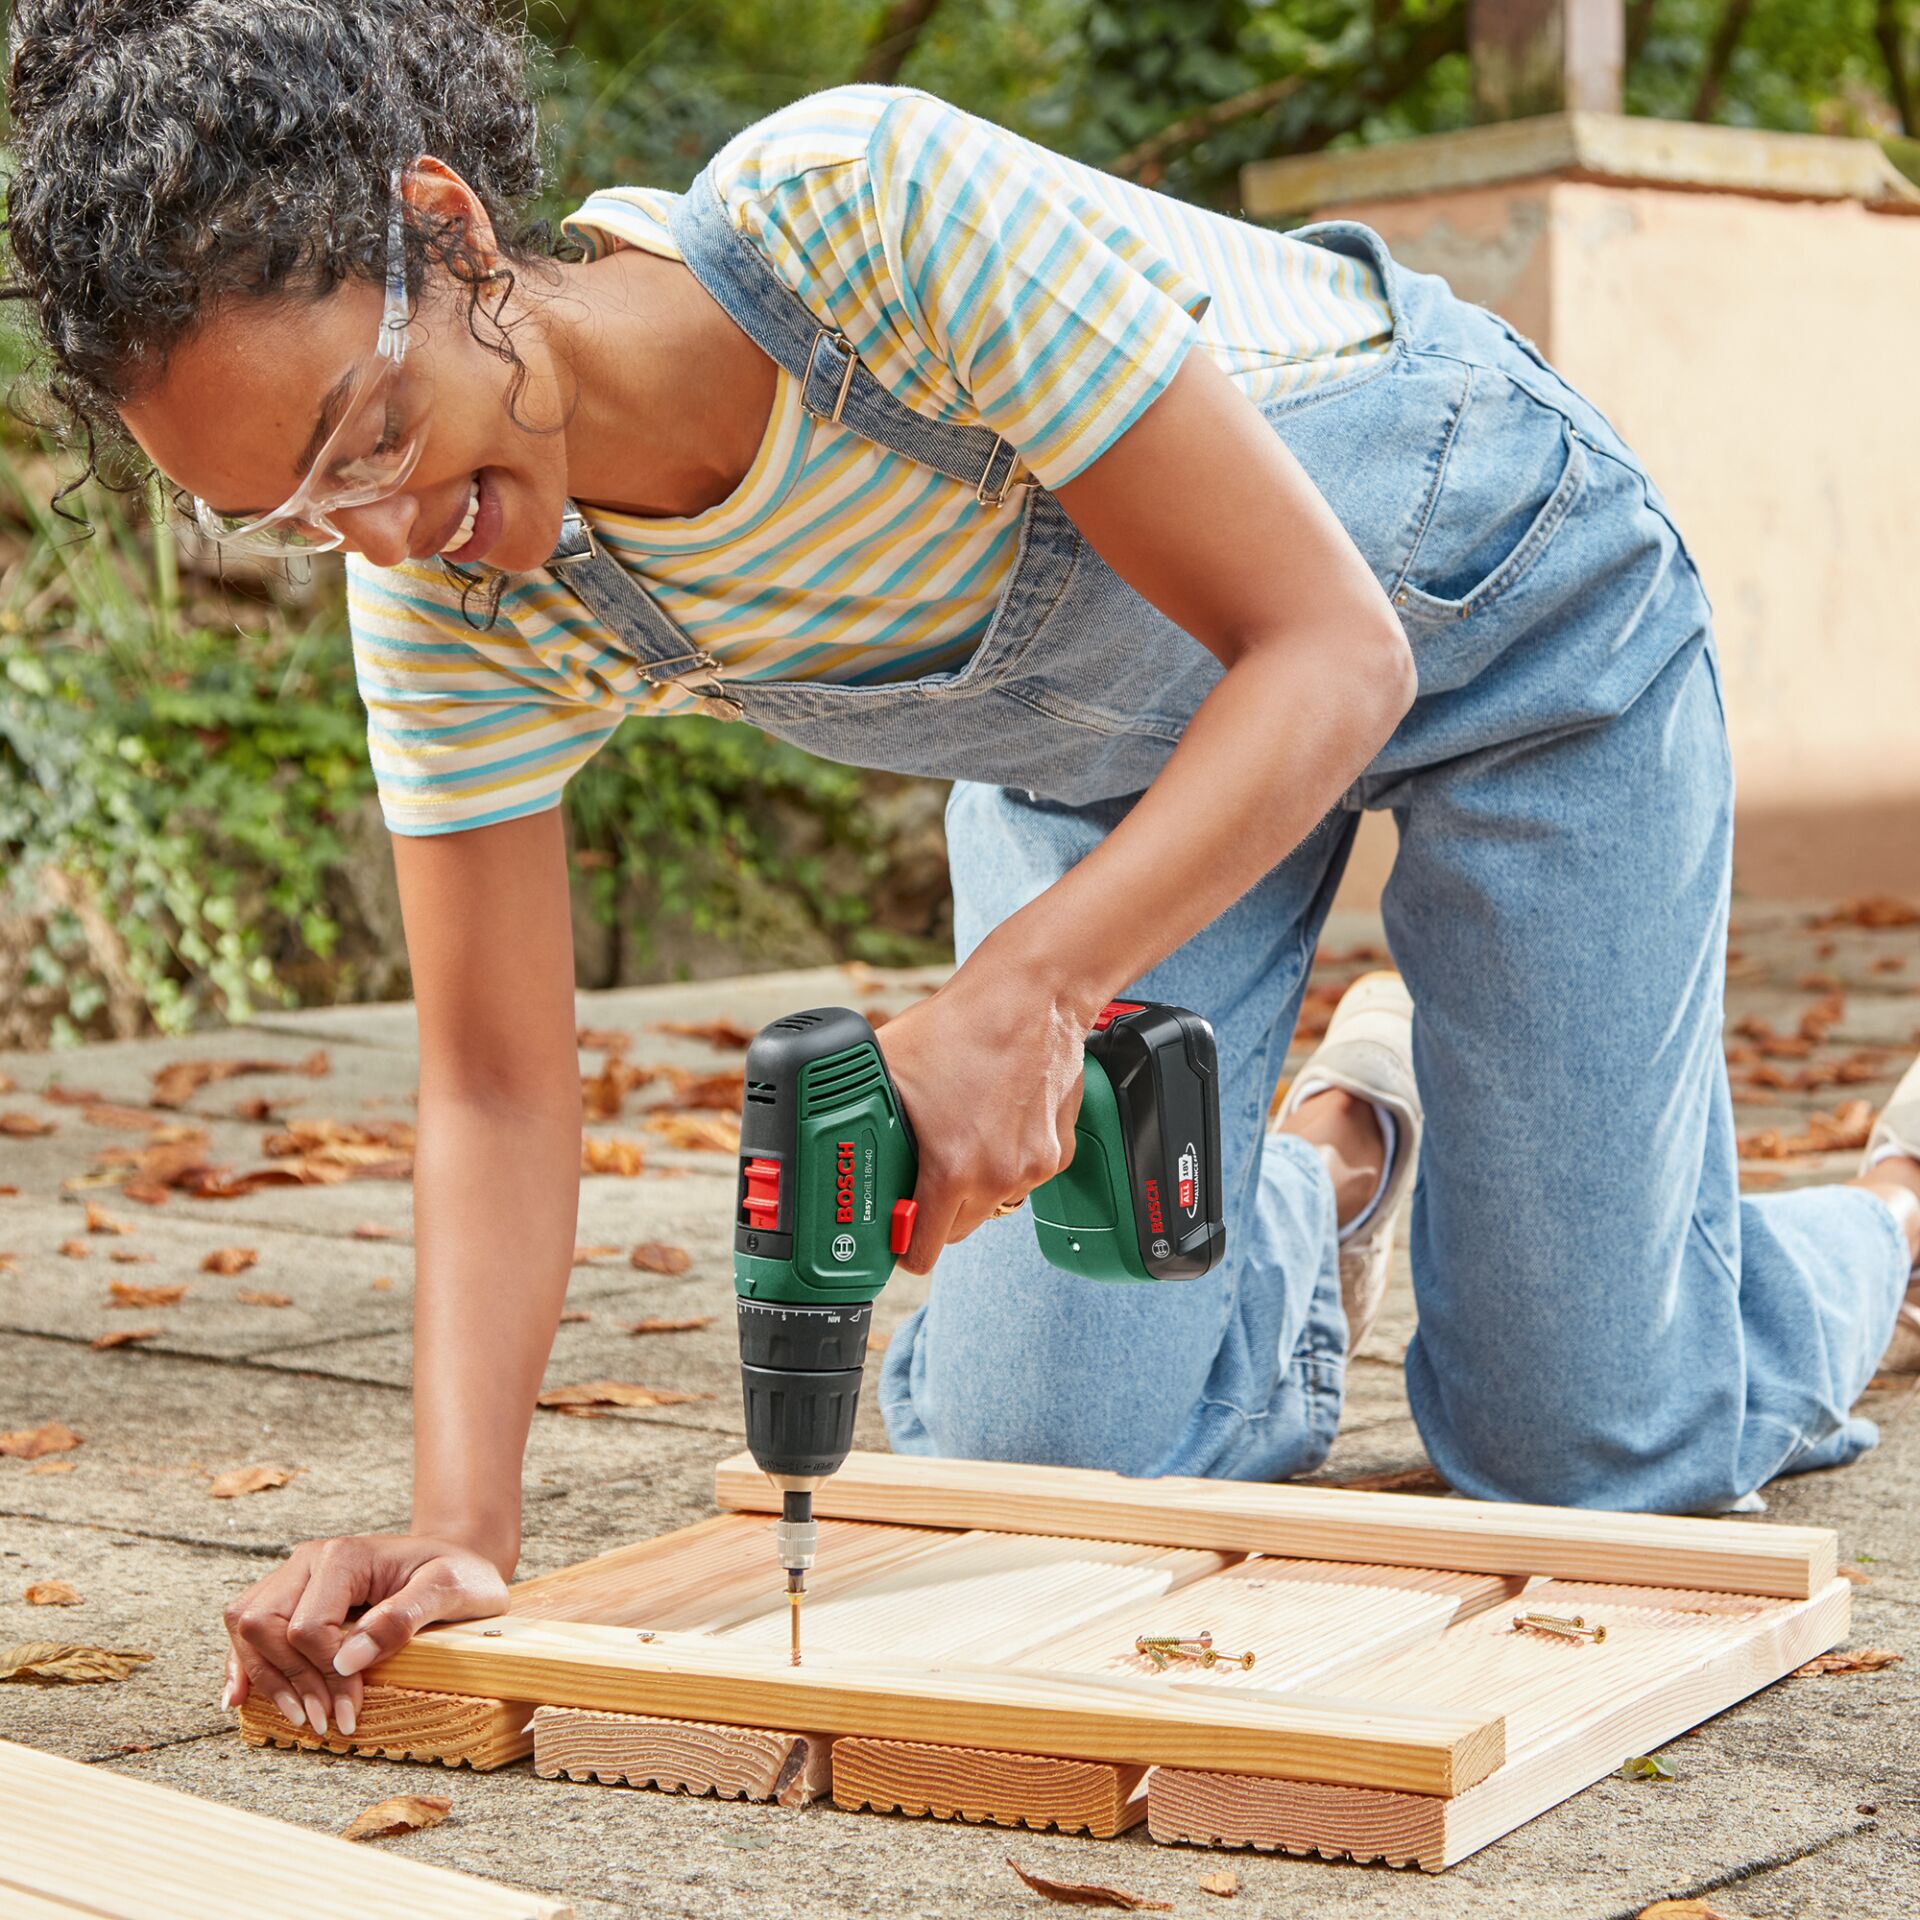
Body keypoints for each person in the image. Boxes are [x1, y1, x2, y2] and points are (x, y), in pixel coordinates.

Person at [6, 0, 1915, 1747]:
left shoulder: (857, 214)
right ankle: (1340, 1146)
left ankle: (1893, 1208)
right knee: (1039, 1447)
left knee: (1586, 1450)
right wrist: (455, 1526)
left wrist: (1016, 995)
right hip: (1118, 770)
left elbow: (1332, 653)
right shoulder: (456, 607)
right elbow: (495, 1085)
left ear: (454, 232)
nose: (391, 531)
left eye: (373, 434)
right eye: (294, 516)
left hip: (1493, 627)